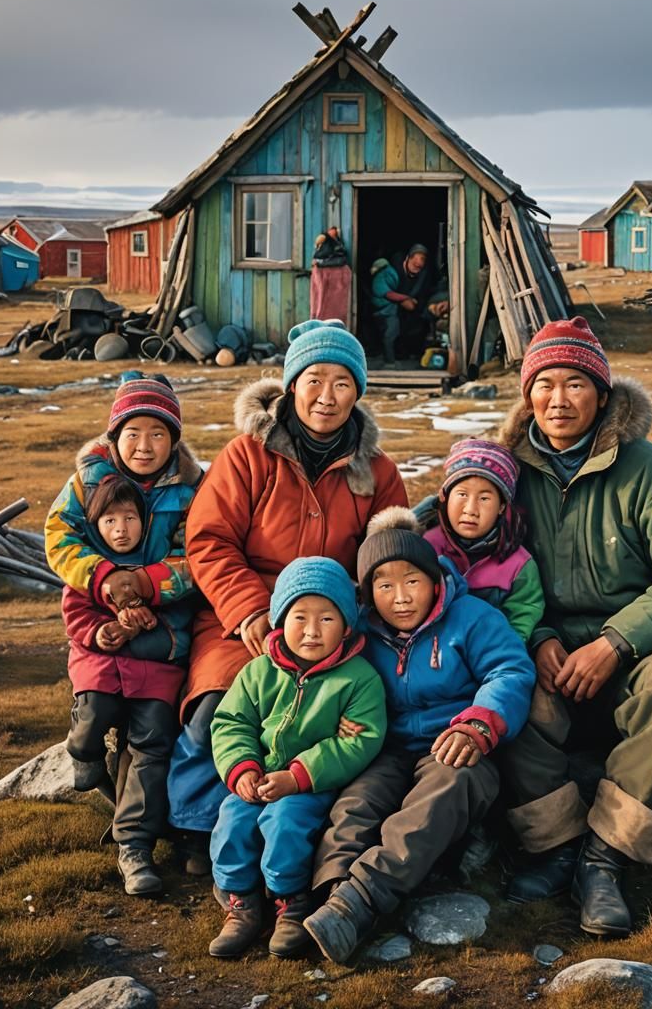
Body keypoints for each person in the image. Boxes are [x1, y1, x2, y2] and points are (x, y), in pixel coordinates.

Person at [495, 317, 652, 936]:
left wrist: (616, 640)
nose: (558, 398)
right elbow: (449, 547)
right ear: (527, 396)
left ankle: (608, 857)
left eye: (576, 383)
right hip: (553, 647)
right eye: (544, 383)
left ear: (603, 396)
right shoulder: (503, 472)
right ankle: (553, 845)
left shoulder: (649, 472)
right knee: (505, 685)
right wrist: (538, 636)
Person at [166, 320, 408, 874]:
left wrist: (348, 617)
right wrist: (248, 609)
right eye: (315, 380)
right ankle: (195, 825)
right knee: (215, 705)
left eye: (343, 383)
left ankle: (311, 821)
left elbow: (386, 558)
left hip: (335, 623)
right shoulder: (247, 456)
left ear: (359, 391)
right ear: (292, 384)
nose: (327, 397)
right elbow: (209, 540)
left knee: (357, 710)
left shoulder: (378, 472)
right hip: (245, 614)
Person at [302, 509, 535, 963]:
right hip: (385, 747)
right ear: (368, 593)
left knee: (441, 794)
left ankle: (361, 902)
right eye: (384, 586)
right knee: (354, 806)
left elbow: (509, 669)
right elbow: (325, 676)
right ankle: (327, 903)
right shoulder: (360, 631)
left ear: (434, 579)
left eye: (411, 580)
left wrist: (480, 722)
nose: (401, 597)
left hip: (457, 744)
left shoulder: (471, 617)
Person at [46, 371, 203, 895]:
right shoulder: (87, 483)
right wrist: (108, 580)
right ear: (114, 437)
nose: (145, 445)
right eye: (132, 433)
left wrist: (148, 587)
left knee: (153, 741)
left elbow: (197, 558)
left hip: (164, 638)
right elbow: (59, 537)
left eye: (158, 434)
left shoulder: (191, 488)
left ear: (174, 439)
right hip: (98, 627)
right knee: (96, 718)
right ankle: (86, 754)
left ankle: (133, 845)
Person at [207, 557, 386, 959]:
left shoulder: (358, 678)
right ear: (279, 619)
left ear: (345, 625)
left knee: (285, 821)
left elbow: (360, 741)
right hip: (257, 777)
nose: (311, 630)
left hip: (310, 783)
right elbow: (231, 722)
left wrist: (299, 776)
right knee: (233, 820)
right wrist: (243, 769)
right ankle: (241, 901)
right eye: (299, 616)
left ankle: (290, 900)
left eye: (326, 619)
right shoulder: (257, 672)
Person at [421, 438, 545, 643]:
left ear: (502, 506)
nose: (471, 509)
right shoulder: (426, 547)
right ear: (444, 497)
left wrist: (501, 652)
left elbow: (523, 616)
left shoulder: (518, 565)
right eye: (461, 494)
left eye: (484, 498)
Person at [370, 244, 448, 365]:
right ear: (408, 259)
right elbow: (385, 293)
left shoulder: (425, 275)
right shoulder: (391, 271)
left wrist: (428, 305)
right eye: (415, 261)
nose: (418, 264)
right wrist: (403, 300)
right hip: (391, 310)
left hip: (416, 311)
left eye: (422, 261)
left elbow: (433, 291)